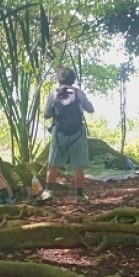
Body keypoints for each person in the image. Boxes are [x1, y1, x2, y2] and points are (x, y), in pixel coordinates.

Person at [41, 67, 95, 203]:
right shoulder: (78, 93)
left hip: (59, 133)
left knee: (53, 163)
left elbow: (46, 114)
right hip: (77, 133)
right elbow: (90, 109)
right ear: (73, 79)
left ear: (59, 79)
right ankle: (79, 195)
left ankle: (48, 192)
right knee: (78, 165)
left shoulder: (54, 94)